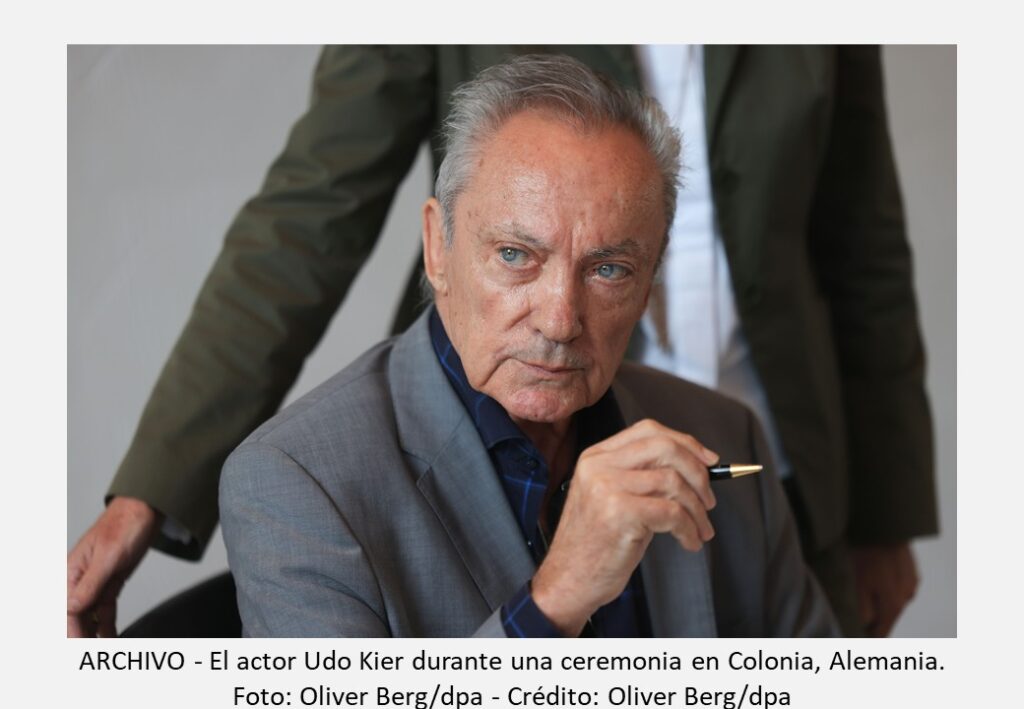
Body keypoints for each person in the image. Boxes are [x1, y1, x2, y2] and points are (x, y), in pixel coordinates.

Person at [68, 45, 935, 638]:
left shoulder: (733, 439)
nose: (557, 317)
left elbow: (864, 239)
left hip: (761, 452)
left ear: (650, 274)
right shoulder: (302, 489)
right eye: (515, 255)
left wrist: (886, 513)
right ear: (437, 245)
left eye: (609, 269)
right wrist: (555, 599)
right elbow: (308, 215)